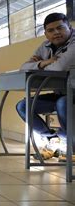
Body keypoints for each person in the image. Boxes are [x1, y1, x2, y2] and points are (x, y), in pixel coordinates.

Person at [16, 12, 74, 160]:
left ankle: (70, 146)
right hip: (62, 93)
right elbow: (23, 67)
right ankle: (51, 139)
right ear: (46, 34)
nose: (56, 33)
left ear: (69, 26)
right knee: (23, 106)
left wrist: (39, 66)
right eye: (51, 30)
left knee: (63, 103)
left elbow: (59, 68)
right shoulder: (45, 46)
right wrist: (44, 62)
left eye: (60, 28)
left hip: (72, 92)